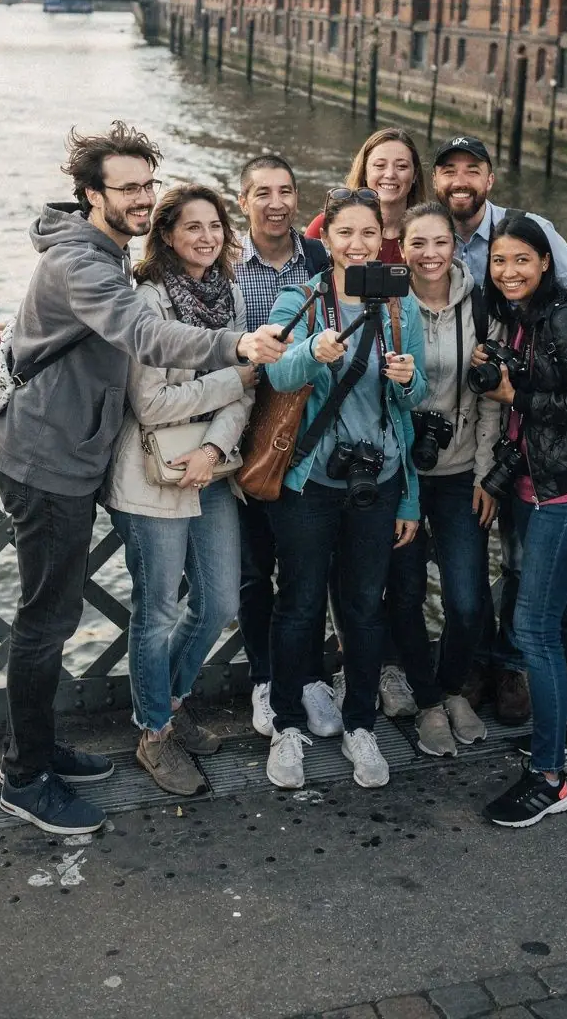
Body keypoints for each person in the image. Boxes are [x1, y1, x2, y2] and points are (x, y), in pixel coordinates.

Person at [0, 122, 289, 836]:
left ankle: (42, 751)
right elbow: (144, 335)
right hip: (46, 460)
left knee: (54, 617)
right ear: (91, 194)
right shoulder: (84, 263)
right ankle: (24, 777)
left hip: (67, 454)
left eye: (148, 185)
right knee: (45, 623)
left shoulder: (102, 250)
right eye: (128, 188)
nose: (143, 198)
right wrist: (236, 345)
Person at [431, 134, 567, 725]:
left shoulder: (529, 232)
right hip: (465, 434)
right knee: (464, 568)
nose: (461, 181)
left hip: (528, 433)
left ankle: (514, 668)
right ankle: (478, 661)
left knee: (521, 565)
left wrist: (533, 354)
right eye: (449, 170)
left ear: (490, 178)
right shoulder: (428, 235)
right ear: (435, 181)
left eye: (472, 170)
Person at [263, 188, 427, 791]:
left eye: (368, 233)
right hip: (310, 482)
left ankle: (360, 723)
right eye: (345, 233)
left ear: (381, 240)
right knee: (299, 604)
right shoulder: (302, 300)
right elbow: (277, 373)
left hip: (378, 480)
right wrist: (312, 351)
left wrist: (406, 381)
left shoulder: (398, 307)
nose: (357, 244)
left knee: (363, 607)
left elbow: (415, 400)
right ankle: (286, 724)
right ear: (326, 239)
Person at [103, 184, 256, 797]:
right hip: (150, 473)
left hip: (211, 467)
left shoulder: (230, 294)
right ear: (165, 235)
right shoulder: (147, 300)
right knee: (157, 609)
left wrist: (214, 449)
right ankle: (154, 731)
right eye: (192, 227)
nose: (206, 237)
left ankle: (169, 699)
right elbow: (151, 403)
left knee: (219, 601)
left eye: (214, 226)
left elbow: (247, 391)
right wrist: (234, 378)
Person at [478, 214, 567, 827]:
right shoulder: (520, 318)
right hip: (541, 488)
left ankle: (549, 777)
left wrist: (517, 396)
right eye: (499, 261)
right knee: (562, 613)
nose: (508, 272)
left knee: (533, 628)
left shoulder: (564, 318)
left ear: (545, 263)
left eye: (521, 261)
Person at [382, 202, 504, 756]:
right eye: (418, 243)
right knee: (405, 593)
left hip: (460, 474)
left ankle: (454, 688)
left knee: (468, 598)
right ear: (402, 248)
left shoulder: (479, 303)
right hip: (401, 472)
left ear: (455, 247)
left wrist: (484, 474)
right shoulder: (389, 305)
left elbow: (490, 400)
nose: (429, 254)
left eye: (440, 242)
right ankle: (429, 700)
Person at [234, 153, 335, 740]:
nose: (276, 204)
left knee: (306, 568)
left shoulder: (320, 258)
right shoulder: (225, 263)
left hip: (308, 434)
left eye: (286, 192)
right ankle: (266, 678)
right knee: (252, 569)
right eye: (263, 193)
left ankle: (309, 675)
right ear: (243, 200)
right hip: (243, 432)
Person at [304, 127, 426, 262]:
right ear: (365, 172)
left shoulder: (430, 233)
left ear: (415, 175)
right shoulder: (325, 225)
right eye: (380, 165)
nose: (390, 174)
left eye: (402, 166)